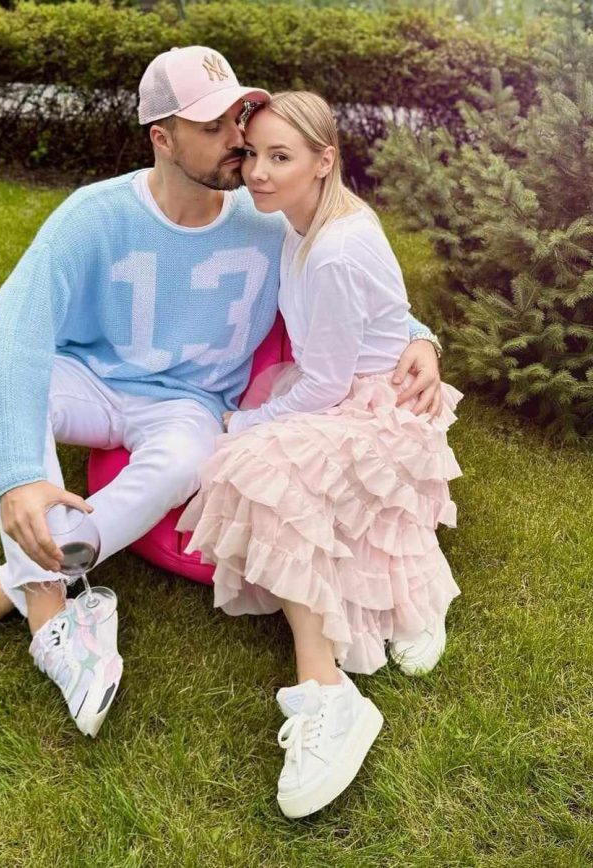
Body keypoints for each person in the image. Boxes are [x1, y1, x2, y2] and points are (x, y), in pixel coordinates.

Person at [0, 48, 444, 739]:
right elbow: (5, 337)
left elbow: (357, 284)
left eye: (238, 118)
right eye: (213, 126)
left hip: (189, 404)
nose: (239, 140)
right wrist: (17, 479)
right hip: (92, 378)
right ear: (162, 137)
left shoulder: (268, 212)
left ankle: (6, 590)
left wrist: (420, 338)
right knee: (20, 387)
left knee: (188, 458)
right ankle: (52, 611)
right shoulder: (93, 215)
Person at [177, 91, 462, 818]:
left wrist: (245, 422)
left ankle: (329, 687)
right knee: (261, 474)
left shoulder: (333, 246)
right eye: (252, 155)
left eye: (281, 157)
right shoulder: (298, 217)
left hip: (374, 409)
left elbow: (327, 385)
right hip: (337, 387)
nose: (259, 173)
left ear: (323, 160)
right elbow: (387, 308)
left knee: (254, 466)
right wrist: (421, 334)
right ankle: (378, 610)